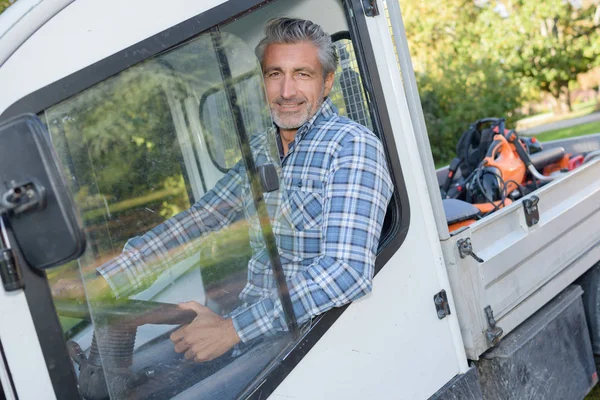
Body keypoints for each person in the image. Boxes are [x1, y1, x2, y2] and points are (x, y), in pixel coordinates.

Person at [54, 18, 393, 364]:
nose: (287, 91)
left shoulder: (351, 147)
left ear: (327, 83)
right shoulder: (264, 149)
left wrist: (231, 329)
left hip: (311, 339)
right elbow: (201, 220)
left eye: (302, 74)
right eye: (275, 74)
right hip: (257, 332)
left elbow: (346, 272)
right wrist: (107, 280)